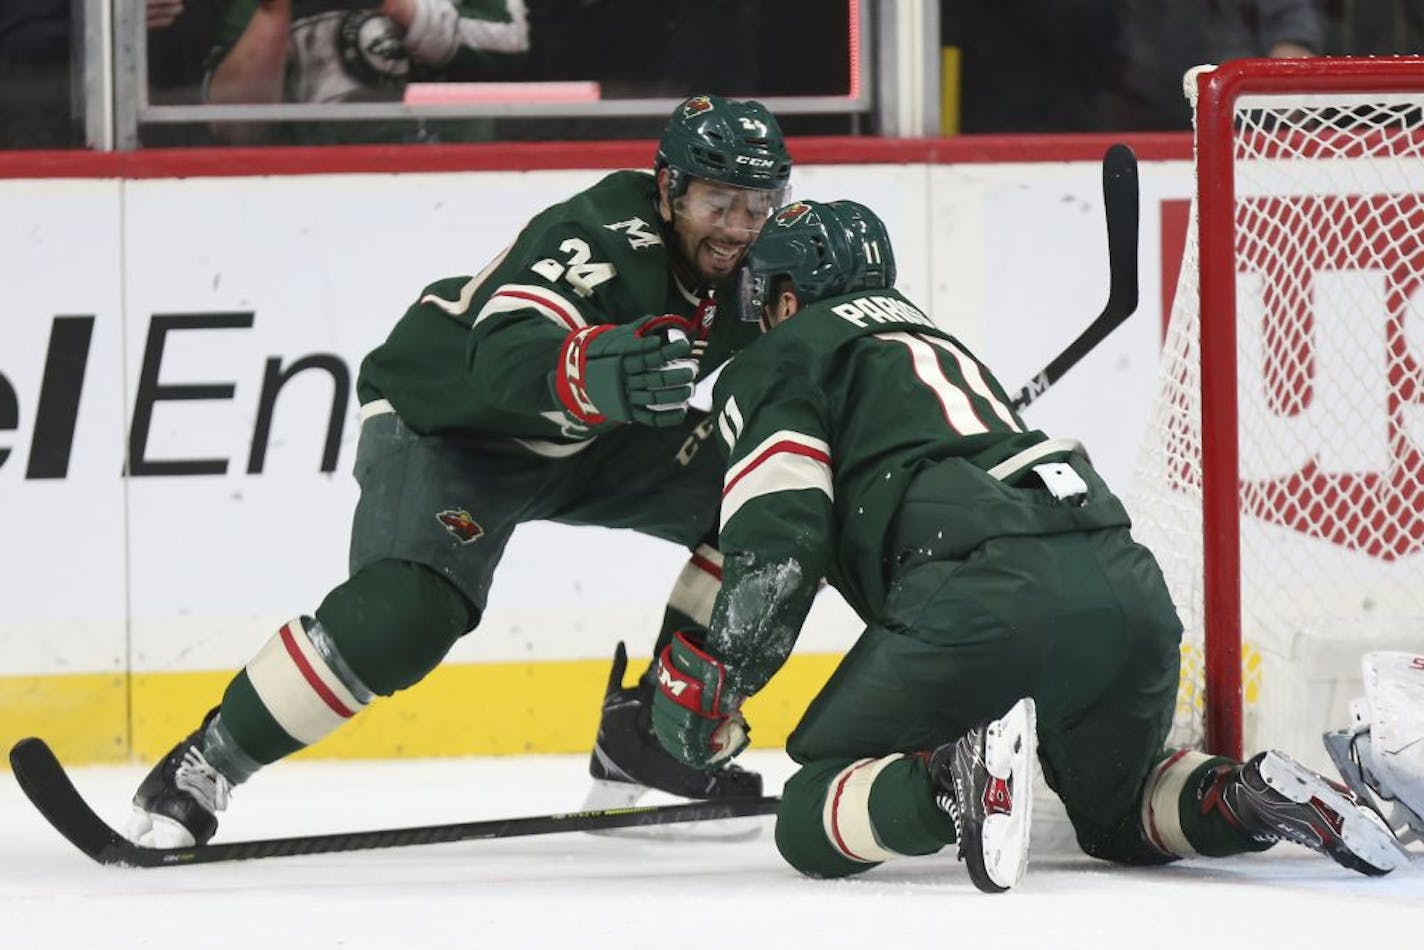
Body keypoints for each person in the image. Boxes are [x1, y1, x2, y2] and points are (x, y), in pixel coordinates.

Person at [649, 199, 1410, 891]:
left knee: (812, 812)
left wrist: (725, 679)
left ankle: (949, 778)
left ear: (785, 297)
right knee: (1121, 813)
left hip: (986, 585)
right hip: (1120, 580)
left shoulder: (778, 357)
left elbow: (783, 537)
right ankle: (1245, 796)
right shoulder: (935, 343)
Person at [127, 94, 793, 848]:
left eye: (759, 203)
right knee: (405, 618)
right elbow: (502, 352)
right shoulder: (605, 235)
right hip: (452, 428)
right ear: (668, 187)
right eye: (718, 200)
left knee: (771, 505)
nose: (740, 226)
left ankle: (653, 737)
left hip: (594, 441)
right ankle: (202, 765)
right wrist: (585, 370)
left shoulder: (764, 264)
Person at [205, 0, 531, 145]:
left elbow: (514, 44)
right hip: (322, 182)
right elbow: (233, 127)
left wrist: (402, 8)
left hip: (465, 167)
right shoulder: (250, 7)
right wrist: (273, 13)